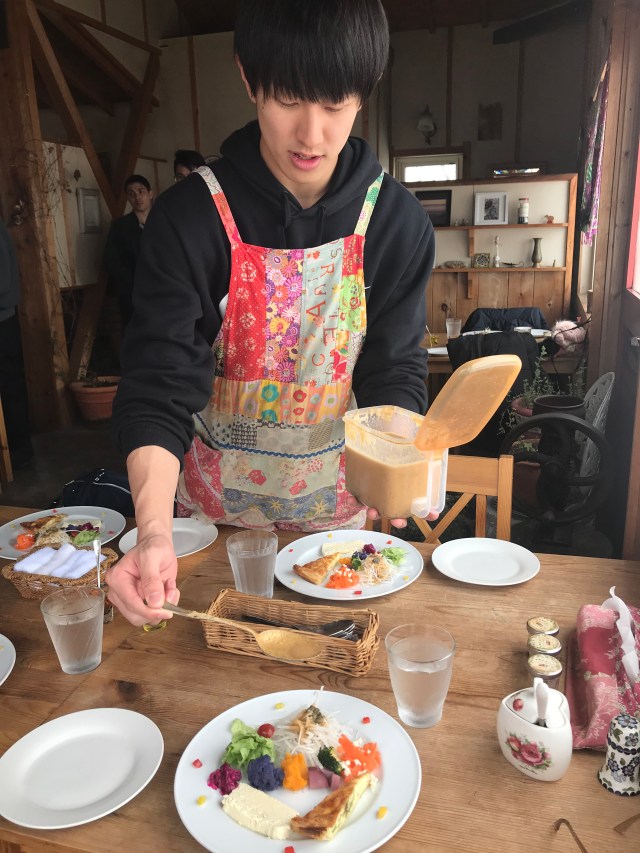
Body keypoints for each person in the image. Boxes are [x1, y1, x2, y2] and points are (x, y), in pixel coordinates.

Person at [108, 0, 435, 626]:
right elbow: (158, 385)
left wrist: (397, 462)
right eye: (288, 99)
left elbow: (393, 369)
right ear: (248, 78)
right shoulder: (188, 218)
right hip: (204, 539)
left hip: (338, 537)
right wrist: (151, 533)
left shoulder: (396, 222)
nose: (311, 135)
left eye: (335, 103)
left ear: (365, 91)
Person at [0, 219, 33, 469]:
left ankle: (18, 451)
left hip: (2, 320)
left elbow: (3, 282)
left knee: (9, 386)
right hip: (5, 316)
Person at [102, 174, 154, 329]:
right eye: (132, 194)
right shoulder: (121, 226)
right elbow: (110, 260)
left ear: (150, 193)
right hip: (132, 293)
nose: (137, 197)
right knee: (136, 333)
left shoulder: (163, 222)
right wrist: (131, 279)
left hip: (163, 290)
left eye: (141, 191)